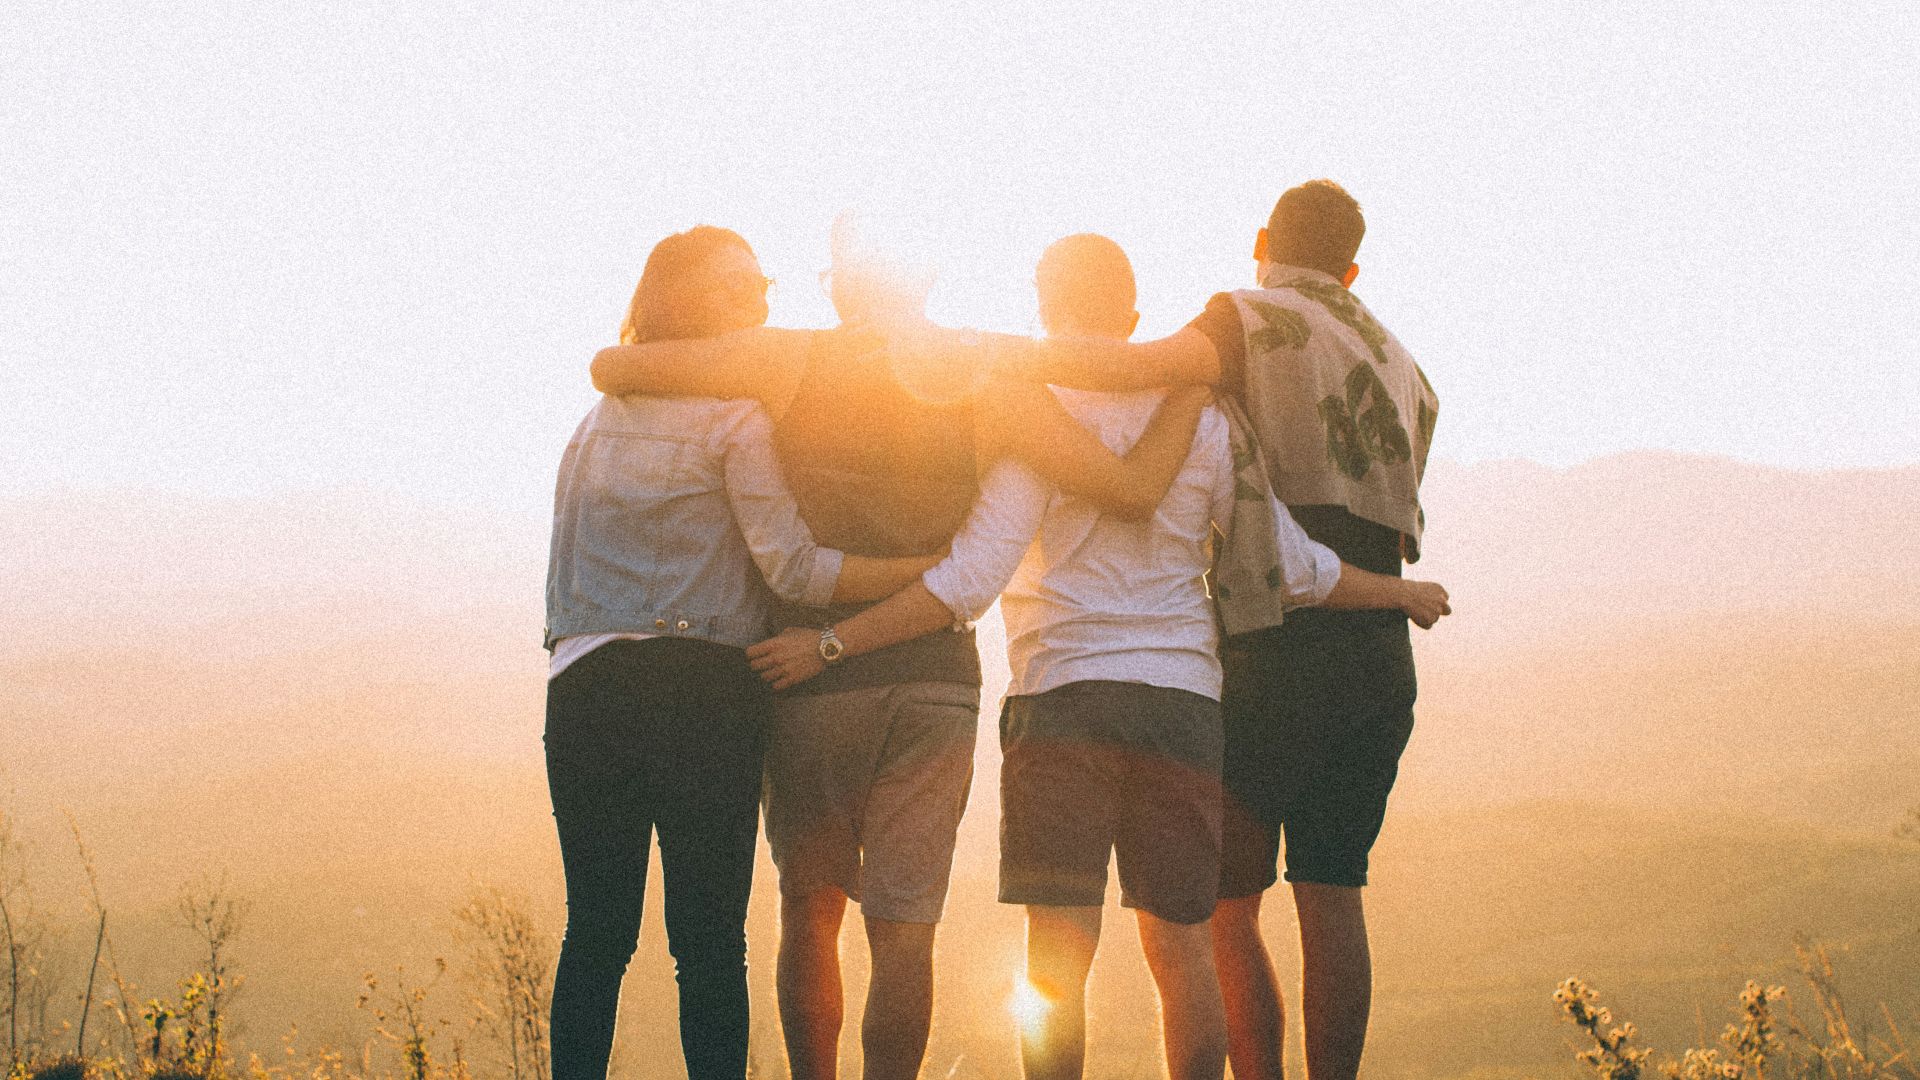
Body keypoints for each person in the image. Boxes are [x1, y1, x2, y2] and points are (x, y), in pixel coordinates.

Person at [747, 233, 1449, 1080]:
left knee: (1056, 959)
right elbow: (1291, 566)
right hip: (1182, 706)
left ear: (1043, 309)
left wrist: (833, 644)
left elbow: (968, 581)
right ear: (1134, 316)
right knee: (1183, 952)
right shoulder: (1206, 420)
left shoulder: (1034, 420)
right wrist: (1396, 591)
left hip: (1061, 701)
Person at [583, 215, 1210, 1080]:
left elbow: (614, 367)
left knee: (810, 914)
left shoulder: (784, 358)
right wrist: (1196, 376)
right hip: (935, 682)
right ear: (926, 278)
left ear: (843, 282)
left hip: (807, 677)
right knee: (905, 931)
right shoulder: (989, 372)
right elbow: (1128, 486)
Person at [993, 183, 1442, 1080]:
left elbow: (1132, 369)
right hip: (1374, 643)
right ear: (1352, 269)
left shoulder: (1247, 318)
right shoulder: (1403, 362)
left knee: (1225, 911)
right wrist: (1397, 594)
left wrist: (985, 357)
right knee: (1335, 893)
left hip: (1271, 643)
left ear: (1262, 240)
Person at [542, 225, 947, 1080]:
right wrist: (925, 573)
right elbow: (793, 567)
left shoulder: (592, 423)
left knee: (596, 933)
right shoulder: (736, 418)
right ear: (687, 299)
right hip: (702, 690)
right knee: (708, 941)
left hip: (583, 688)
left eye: (762, 283)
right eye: (738, 287)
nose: (760, 300)